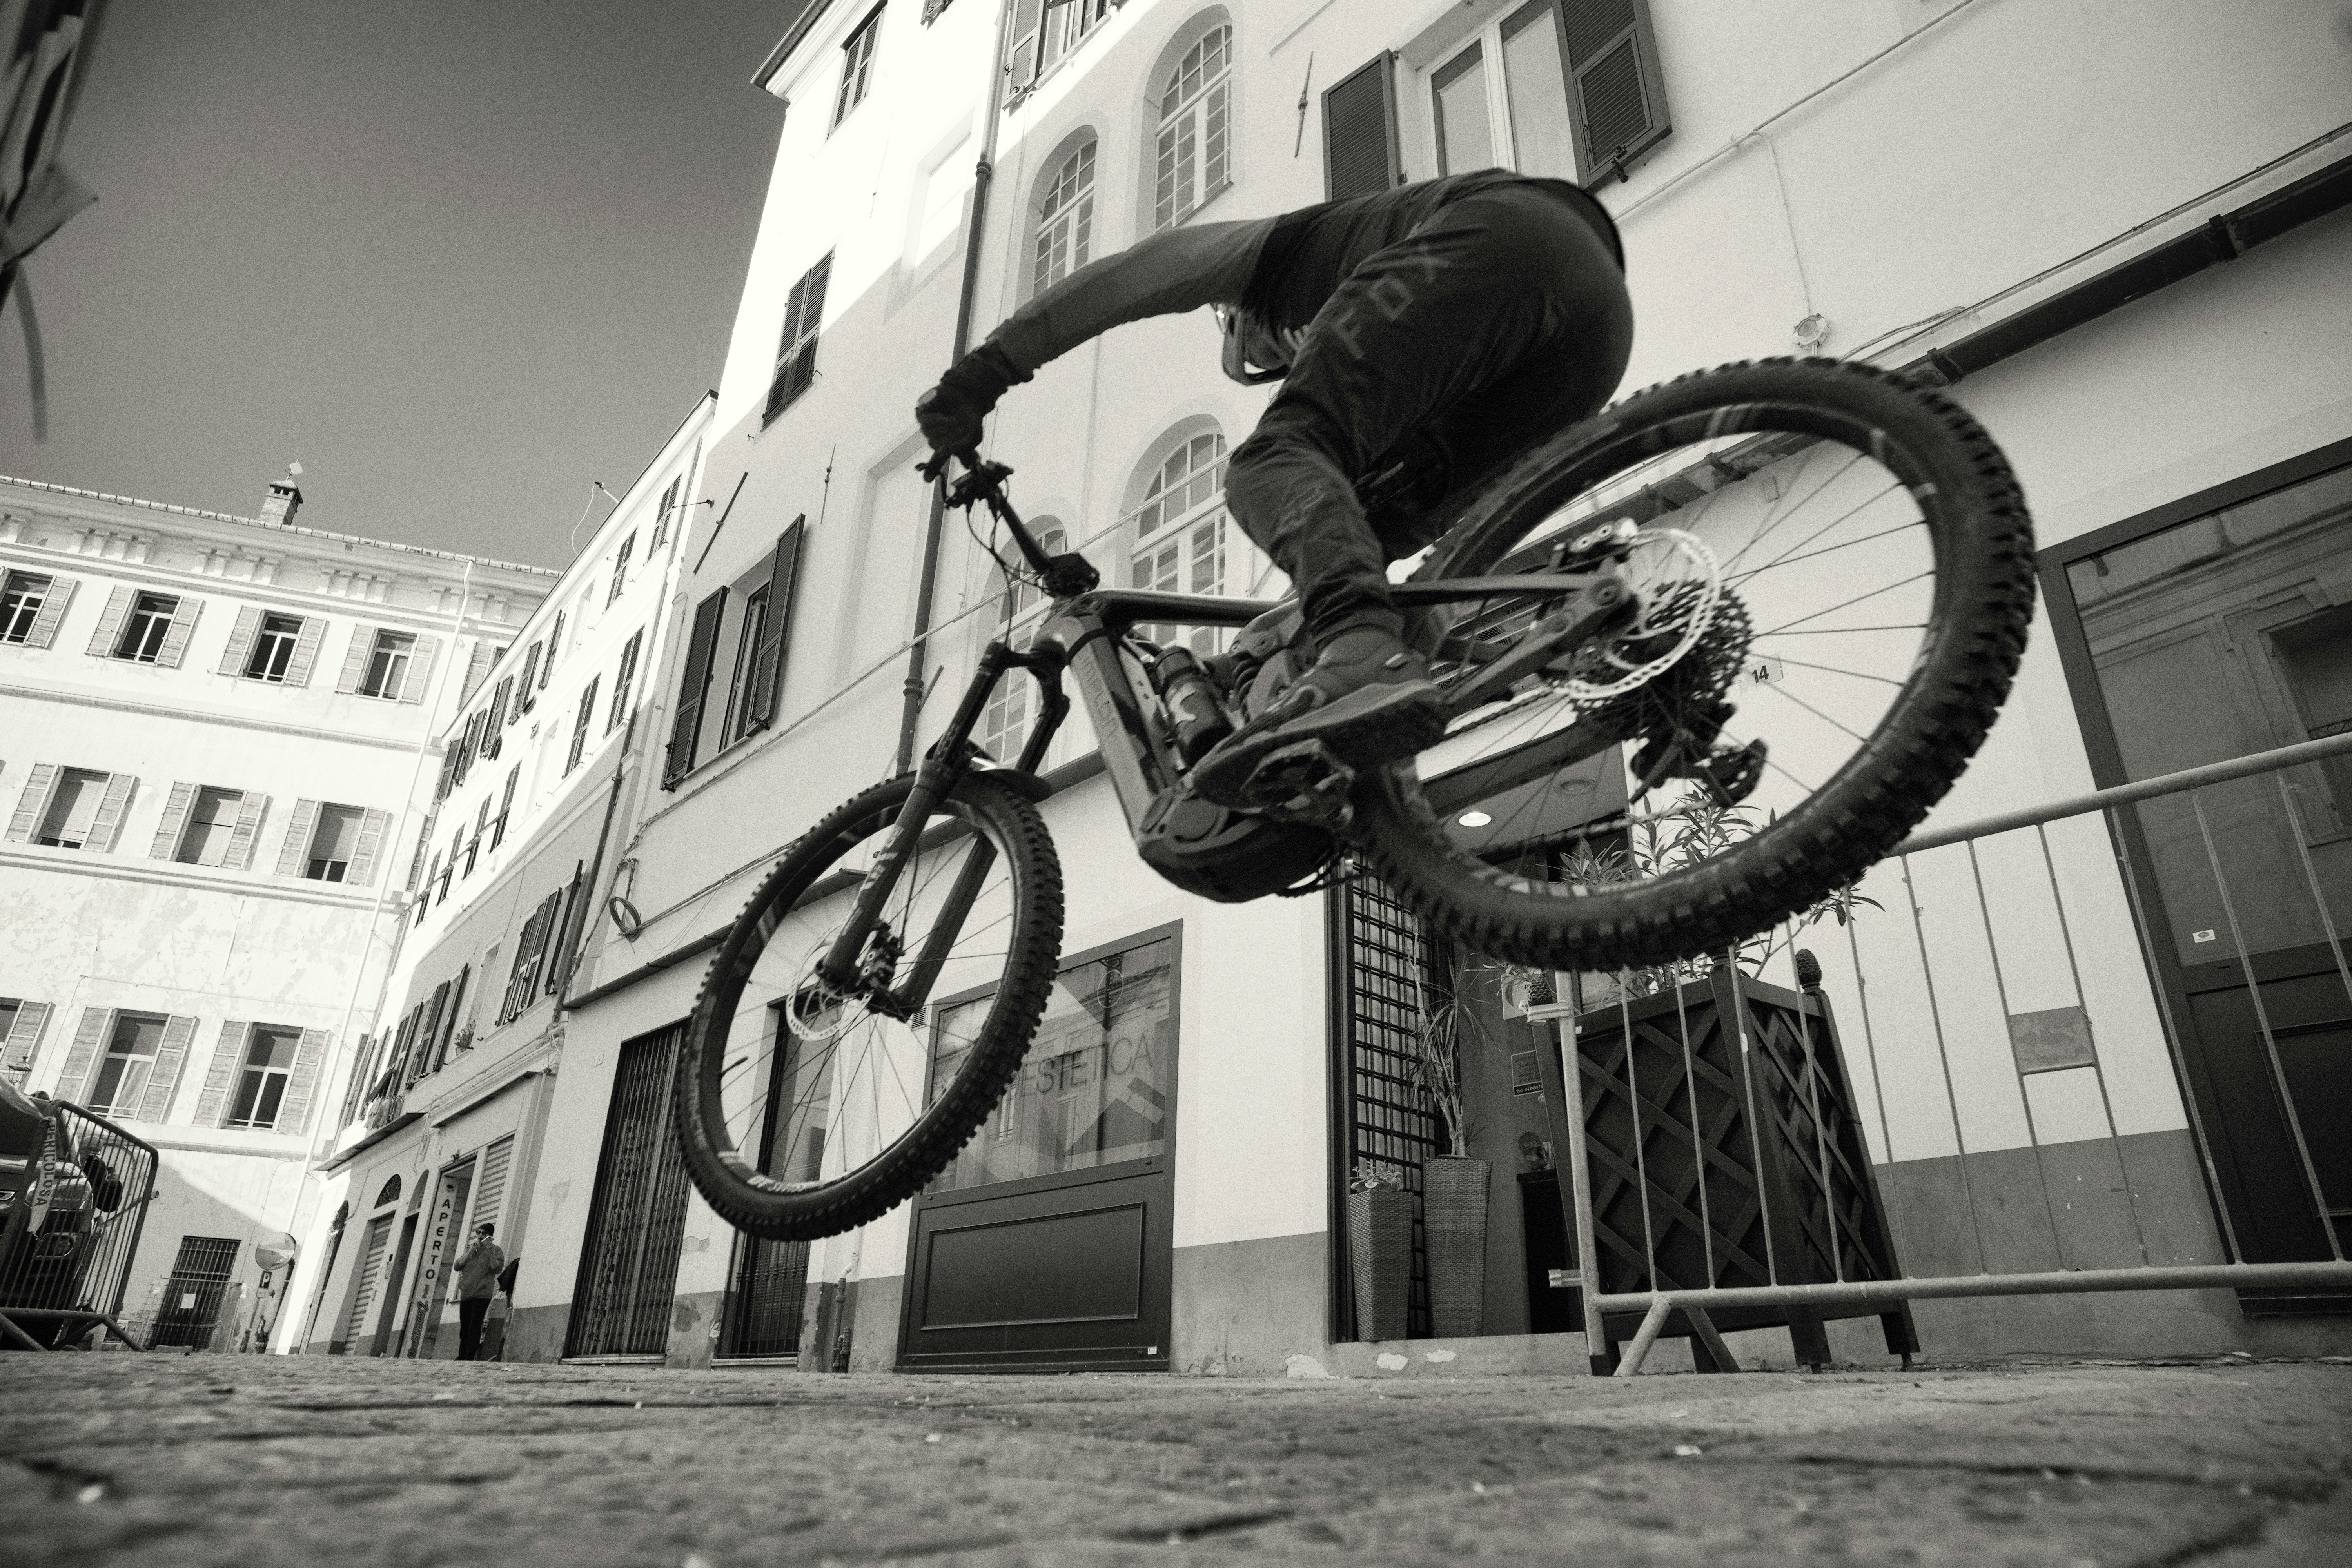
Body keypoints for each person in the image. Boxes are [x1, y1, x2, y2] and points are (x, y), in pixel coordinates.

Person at [916, 168, 1632, 807]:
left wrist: (982, 375)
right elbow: (1378, 543)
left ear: (1238, 320)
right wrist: (1257, 653)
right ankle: (1596, 638)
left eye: (1262, 358)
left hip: (1511, 229)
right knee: (1391, 553)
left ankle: (1363, 651)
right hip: (1596, 334)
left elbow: (1127, 281)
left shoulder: (1282, 254)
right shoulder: (1413, 354)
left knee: (1270, 459)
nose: (1282, 362)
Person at [450, 1221, 503, 1361]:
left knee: (475, 1326)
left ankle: (469, 1357)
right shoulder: (472, 1250)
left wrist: (490, 1250)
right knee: (465, 1328)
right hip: (467, 1294)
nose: (480, 1236)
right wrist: (470, 1252)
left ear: (490, 1236)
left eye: (484, 1233)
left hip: (482, 1294)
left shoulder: (496, 1250)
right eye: (478, 1233)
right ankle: (461, 1356)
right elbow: (457, 1266)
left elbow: (497, 1269)